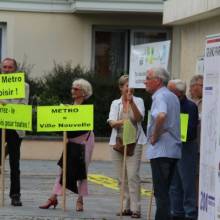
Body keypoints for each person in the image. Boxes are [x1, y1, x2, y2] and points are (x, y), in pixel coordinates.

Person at [39, 78, 94, 212]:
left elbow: (83, 127)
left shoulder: (87, 107)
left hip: (84, 141)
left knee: (82, 171)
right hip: (70, 142)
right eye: (72, 88)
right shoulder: (68, 107)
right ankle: (53, 197)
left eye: (76, 89)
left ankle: (80, 200)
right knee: (62, 169)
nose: (73, 91)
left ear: (84, 92)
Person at [144, 67, 182, 220]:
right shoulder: (172, 96)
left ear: (157, 81)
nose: (145, 81)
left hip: (162, 151)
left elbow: (161, 116)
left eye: (148, 78)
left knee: (161, 193)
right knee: (165, 192)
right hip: (172, 150)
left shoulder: (160, 96)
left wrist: (154, 136)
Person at [108, 75, 146, 219]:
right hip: (118, 142)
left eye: (132, 86)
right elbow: (111, 122)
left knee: (133, 176)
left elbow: (138, 118)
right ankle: (125, 207)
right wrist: (123, 122)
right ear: (121, 87)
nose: (130, 89)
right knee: (121, 178)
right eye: (127, 86)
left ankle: (136, 209)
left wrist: (131, 103)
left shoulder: (139, 101)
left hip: (134, 143)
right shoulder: (115, 103)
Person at [0, 57, 30, 206]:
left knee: (14, 163)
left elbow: (22, 107)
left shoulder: (23, 86)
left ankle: (15, 195)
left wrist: (3, 102)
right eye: (4, 67)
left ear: (15, 69)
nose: (6, 70)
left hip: (15, 127)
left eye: (9, 67)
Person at [168, 79, 198, 220]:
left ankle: (190, 213)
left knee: (187, 182)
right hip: (172, 146)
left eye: (170, 90)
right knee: (174, 182)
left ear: (178, 93)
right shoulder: (169, 105)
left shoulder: (190, 106)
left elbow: (192, 131)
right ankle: (177, 212)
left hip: (186, 148)